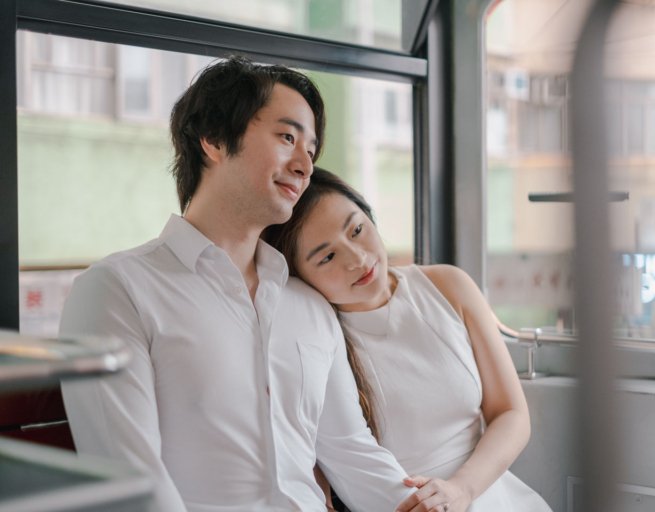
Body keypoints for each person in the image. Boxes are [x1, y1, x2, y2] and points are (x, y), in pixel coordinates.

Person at [59, 56, 415, 512]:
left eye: (311, 148)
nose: (306, 165)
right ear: (213, 138)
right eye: (288, 137)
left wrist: (431, 504)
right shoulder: (117, 290)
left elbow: (352, 453)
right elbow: (134, 485)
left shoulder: (308, 305)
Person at [262, 168, 553, 512]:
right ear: (300, 276)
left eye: (356, 230)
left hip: (491, 493)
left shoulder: (448, 285)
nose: (357, 258)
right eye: (327, 257)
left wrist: (461, 489)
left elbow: (511, 413)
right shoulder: (319, 337)